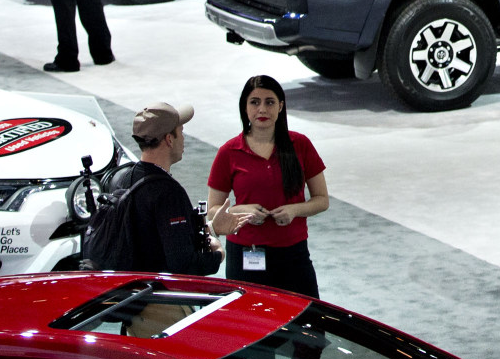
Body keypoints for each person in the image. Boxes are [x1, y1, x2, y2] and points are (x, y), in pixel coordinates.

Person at [207, 76, 331, 294]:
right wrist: (239, 211)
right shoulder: (228, 152)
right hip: (245, 253)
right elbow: (212, 211)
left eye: (269, 102)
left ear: (281, 106)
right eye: (254, 102)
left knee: (303, 322)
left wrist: (295, 210)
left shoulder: (300, 144)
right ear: (244, 107)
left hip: (293, 253)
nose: (262, 109)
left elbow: (322, 200)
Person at [93, 102, 220, 276]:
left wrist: (211, 228)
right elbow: (183, 265)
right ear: (169, 139)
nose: (184, 139)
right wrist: (218, 255)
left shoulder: (124, 178)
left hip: (126, 292)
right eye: (181, 132)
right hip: (157, 295)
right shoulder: (168, 193)